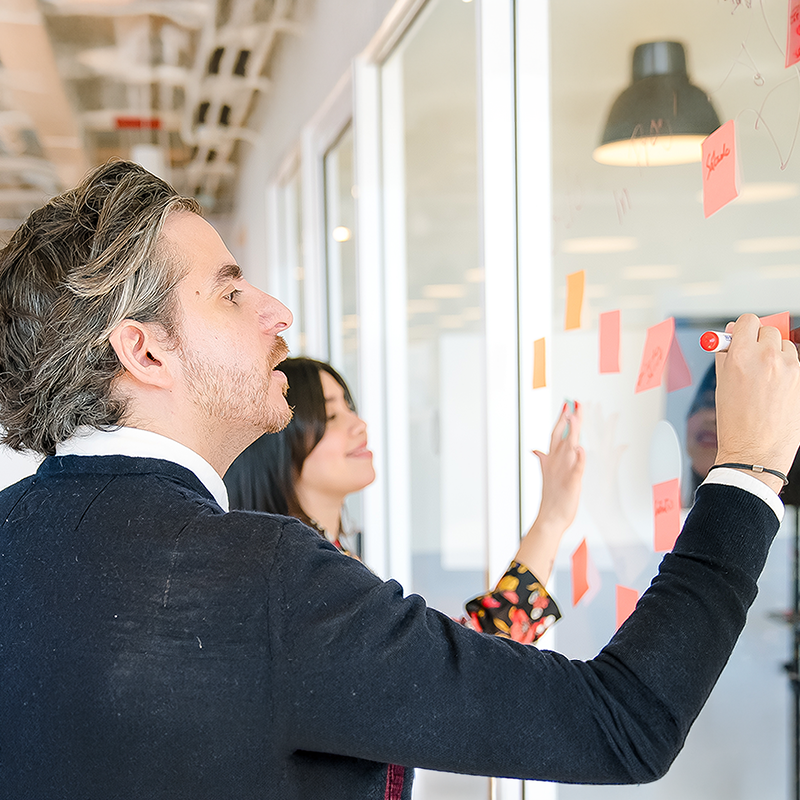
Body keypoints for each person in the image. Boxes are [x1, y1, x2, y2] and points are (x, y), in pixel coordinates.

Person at [1, 160, 800, 800]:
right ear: (145, 352)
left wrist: (550, 525)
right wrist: (748, 472)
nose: (276, 311)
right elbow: (623, 722)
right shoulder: (266, 578)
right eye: (231, 291)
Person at [224, 357, 583, 643]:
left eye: (349, 406)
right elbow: (446, 674)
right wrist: (551, 520)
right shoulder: (312, 575)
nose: (359, 424)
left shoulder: (305, 560)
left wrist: (551, 519)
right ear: (277, 447)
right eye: (332, 415)